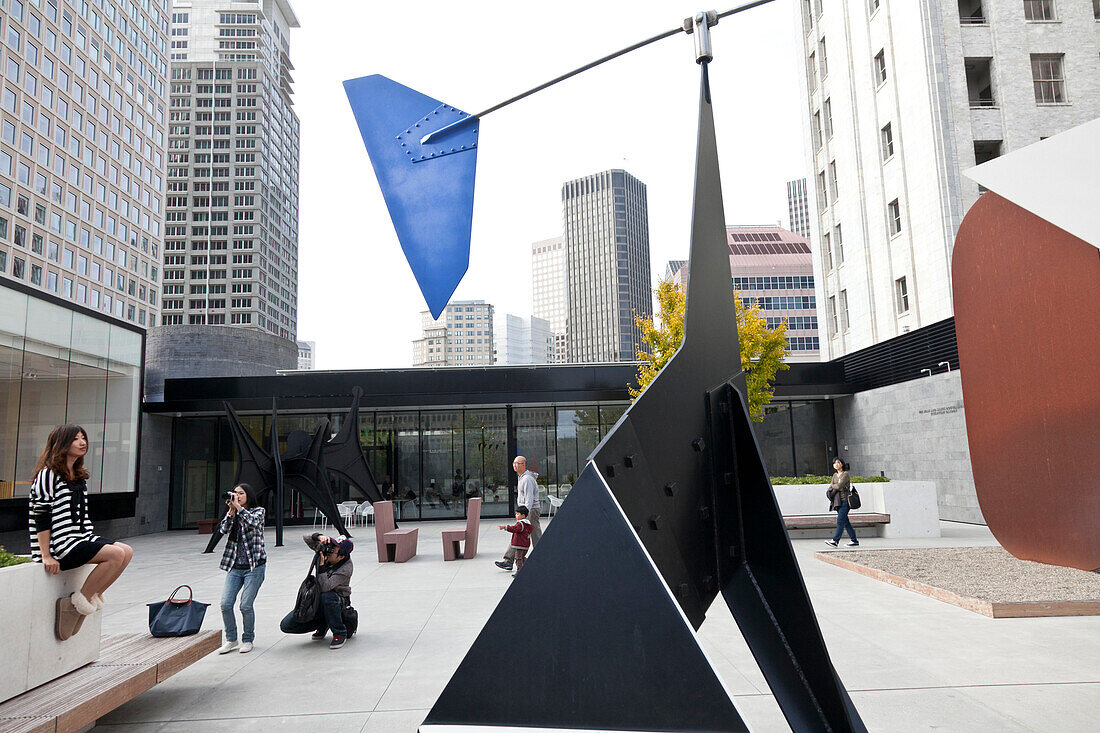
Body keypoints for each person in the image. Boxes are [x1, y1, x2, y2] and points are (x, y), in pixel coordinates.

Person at [28, 425, 134, 641]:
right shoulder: (48, 475)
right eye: (76, 439)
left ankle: (86, 599)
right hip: (61, 543)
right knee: (115, 555)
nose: (82, 442)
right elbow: (41, 515)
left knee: (127, 551)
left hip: (80, 537)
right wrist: (46, 555)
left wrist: (91, 539)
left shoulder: (78, 477)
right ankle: (75, 607)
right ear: (62, 444)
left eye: (83, 437)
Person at [280, 533, 355, 650]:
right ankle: (323, 623)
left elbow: (325, 586)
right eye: (330, 547)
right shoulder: (325, 552)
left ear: (341, 557)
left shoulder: (346, 568)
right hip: (317, 598)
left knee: (328, 596)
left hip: (337, 601)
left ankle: (340, 632)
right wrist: (319, 537)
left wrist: (322, 567)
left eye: (332, 550)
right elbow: (306, 538)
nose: (328, 551)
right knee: (286, 625)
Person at [217, 483, 266, 654]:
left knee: (245, 605)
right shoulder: (235, 513)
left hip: (254, 567)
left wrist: (239, 508)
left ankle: (248, 639)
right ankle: (231, 639)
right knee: (225, 604)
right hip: (235, 567)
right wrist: (231, 511)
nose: (237, 496)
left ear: (248, 495)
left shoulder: (258, 511)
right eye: (235, 493)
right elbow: (223, 529)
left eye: (241, 493)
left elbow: (253, 523)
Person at [495, 456, 541, 571]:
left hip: (530, 511)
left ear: (524, 465)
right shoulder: (522, 478)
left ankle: (542, 556)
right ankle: (508, 561)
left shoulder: (527, 479)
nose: (515, 465)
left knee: (535, 535)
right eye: (514, 463)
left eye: (518, 463)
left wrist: (524, 515)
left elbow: (529, 499)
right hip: (525, 511)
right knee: (517, 534)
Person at [825, 458, 859, 548]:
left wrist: (833, 485)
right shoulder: (835, 475)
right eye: (835, 463)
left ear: (842, 464)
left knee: (840, 521)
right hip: (837, 502)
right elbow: (834, 487)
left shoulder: (845, 474)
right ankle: (854, 540)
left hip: (845, 501)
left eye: (838, 462)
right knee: (845, 522)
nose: (836, 464)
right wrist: (834, 486)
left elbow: (839, 486)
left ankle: (835, 541)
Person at [497, 506, 533, 576]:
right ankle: (530, 564)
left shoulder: (521, 524)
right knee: (521, 557)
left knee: (518, 558)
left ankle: (519, 572)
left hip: (520, 545)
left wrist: (505, 527)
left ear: (523, 515)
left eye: (517, 514)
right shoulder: (527, 524)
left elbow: (515, 529)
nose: (516, 515)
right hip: (525, 545)